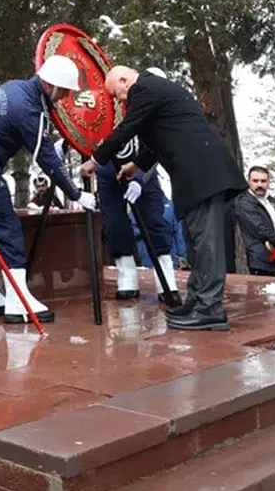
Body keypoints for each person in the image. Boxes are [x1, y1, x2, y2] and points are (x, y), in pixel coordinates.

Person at [80, 66, 246, 331]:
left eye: (116, 94)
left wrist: (95, 160)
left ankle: (210, 309)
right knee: (196, 243)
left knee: (207, 244)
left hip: (204, 175)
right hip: (195, 178)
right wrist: (136, 165)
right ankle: (196, 300)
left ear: (125, 80)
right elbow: (159, 139)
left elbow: (127, 129)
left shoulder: (145, 89)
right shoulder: (154, 92)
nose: (118, 101)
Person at [0, 54, 98, 323]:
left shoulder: (15, 89)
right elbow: (47, 160)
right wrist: (77, 194)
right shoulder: (29, 109)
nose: (65, 98)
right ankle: (18, 301)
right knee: (7, 228)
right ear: (50, 85)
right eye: (64, 91)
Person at [97, 138, 179, 302]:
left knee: (154, 222)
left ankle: (166, 280)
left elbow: (154, 146)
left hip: (142, 166)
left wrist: (140, 178)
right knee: (115, 225)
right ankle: (127, 276)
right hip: (108, 171)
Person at [232, 167, 275, 277]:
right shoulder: (244, 202)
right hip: (263, 262)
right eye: (255, 181)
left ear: (268, 182)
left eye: (263, 181)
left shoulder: (272, 201)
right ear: (249, 181)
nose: (259, 185)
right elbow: (261, 230)